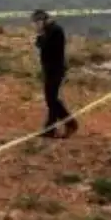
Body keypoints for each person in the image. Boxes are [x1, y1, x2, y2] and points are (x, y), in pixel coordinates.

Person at [32, 9, 78, 138]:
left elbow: (45, 46)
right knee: (51, 99)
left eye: (37, 23)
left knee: (52, 99)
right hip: (49, 69)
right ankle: (51, 128)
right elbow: (39, 44)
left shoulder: (55, 31)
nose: (36, 26)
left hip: (56, 70)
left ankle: (70, 123)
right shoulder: (48, 31)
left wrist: (40, 36)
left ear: (43, 21)